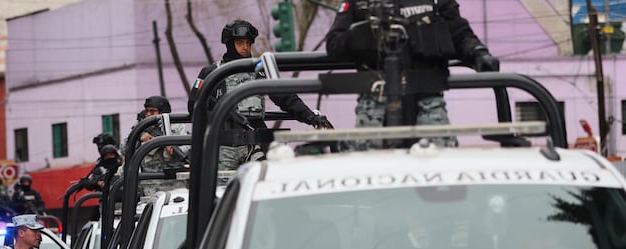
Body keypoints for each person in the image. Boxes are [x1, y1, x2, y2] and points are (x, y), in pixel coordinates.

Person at [325, 0, 499, 149]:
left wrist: (478, 53)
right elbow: (334, 45)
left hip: (428, 101)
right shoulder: (360, 3)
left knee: (438, 165)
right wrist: (368, 33)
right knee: (370, 169)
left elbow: (459, 34)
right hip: (375, 104)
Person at [188, 19, 330, 170]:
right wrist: (221, 114)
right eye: (240, 43)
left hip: (255, 140)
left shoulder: (259, 70)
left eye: (248, 43)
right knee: (220, 182)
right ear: (230, 44)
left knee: (264, 177)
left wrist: (311, 117)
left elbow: (285, 96)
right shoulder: (212, 73)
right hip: (224, 142)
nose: (245, 47)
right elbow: (194, 106)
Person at [139, 95, 189, 173]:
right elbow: (125, 147)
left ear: (162, 111)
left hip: (172, 171)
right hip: (149, 173)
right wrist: (139, 139)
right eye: (147, 111)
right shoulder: (143, 126)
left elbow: (187, 145)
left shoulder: (177, 126)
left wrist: (174, 150)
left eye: (152, 111)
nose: (148, 114)